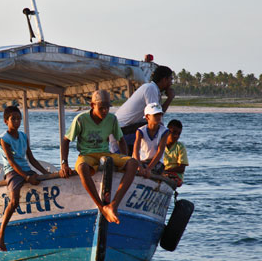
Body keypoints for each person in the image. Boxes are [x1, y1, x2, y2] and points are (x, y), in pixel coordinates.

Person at [59, 90, 139, 224]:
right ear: (92, 106)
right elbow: (66, 140)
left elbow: (121, 140)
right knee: (82, 168)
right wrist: (64, 163)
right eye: (101, 108)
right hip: (87, 154)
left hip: (105, 153)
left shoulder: (112, 119)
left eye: (107, 107)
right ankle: (102, 208)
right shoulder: (81, 119)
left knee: (133, 163)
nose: (105, 111)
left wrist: (123, 160)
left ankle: (114, 204)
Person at [0, 106, 48, 251]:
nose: (17, 121)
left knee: (42, 184)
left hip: (25, 169)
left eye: (19, 118)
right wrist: (26, 177)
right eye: (13, 119)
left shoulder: (24, 136)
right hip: (12, 171)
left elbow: (31, 158)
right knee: (14, 201)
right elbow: (12, 162)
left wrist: (45, 173)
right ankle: (1, 232)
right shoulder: (4, 139)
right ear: (6, 121)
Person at [114, 65, 175, 154]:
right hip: (122, 129)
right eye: (171, 79)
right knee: (154, 129)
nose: (171, 83)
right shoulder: (151, 88)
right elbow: (155, 116)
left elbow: (157, 115)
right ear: (164, 79)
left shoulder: (153, 89)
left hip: (126, 128)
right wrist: (170, 98)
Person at [133, 103, 169, 179]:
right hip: (142, 161)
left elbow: (160, 151)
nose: (159, 117)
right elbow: (135, 151)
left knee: (157, 168)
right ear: (147, 117)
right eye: (155, 115)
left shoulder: (164, 131)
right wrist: (140, 167)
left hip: (156, 162)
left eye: (160, 114)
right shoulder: (140, 131)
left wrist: (149, 169)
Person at [163, 119, 188, 187]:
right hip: (161, 172)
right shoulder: (159, 144)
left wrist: (165, 171)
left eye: (179, 134)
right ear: (167, 132)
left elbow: (181, 169)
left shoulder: (180, 147)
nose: (176, 136)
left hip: (175, 176)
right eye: (174, 132)